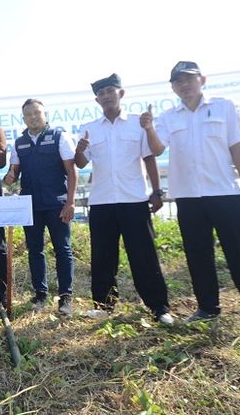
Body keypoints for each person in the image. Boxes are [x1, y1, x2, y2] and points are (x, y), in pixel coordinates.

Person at [140, 61, 240, 345]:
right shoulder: (168, 117)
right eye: (178, 82)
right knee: (197, 256)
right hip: (188, 198)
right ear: (172, 87)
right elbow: (157, 148)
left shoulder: (225, 107)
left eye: (189, 79)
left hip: (224, 193)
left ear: (202, 79)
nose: (184, 85)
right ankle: (207, 308)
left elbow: (237, 148)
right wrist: (150, 128)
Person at [75, 74, 174, 325]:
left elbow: (150, 157)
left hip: (134, 200)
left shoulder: (136, 124)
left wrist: (157, 191)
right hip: (101, 201)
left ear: (121, 93)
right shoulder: (89, 128)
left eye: (111, 90)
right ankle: (103, 306)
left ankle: (159, 307)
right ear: (96, 99)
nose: (106, 96)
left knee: (144, 256)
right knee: (103, 256)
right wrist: (79, 149)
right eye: (102, 93)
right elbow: (81, 162)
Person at [3, 99, 76, 316]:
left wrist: (70, 202)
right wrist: (9, 177)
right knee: (35, 250)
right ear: (23, 118)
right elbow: (13, 172)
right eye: (28, 114)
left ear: (44, 114)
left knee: (63, 250)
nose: (33, 117)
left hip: (57, 204)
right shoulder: (19, 143)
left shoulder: (59, 137)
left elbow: (72, 172)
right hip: (30, 206)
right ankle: (40, 294)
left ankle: (66, 298)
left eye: (37, 113)